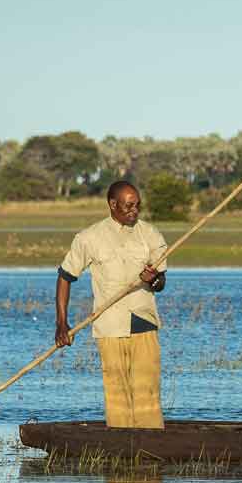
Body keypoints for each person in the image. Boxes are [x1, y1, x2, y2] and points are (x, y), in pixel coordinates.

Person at [55, 181, 168, 429]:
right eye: (128, 206)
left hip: (145, 324)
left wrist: (154, 279)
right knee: (117, 393)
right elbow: (65, 277)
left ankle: (151, 447)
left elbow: (161, 283)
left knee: (147, 393)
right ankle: (121, 446)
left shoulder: (149, 234)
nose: (134, 211)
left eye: (137, 206)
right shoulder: (89, 238)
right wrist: (62, 323)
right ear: (112, 204)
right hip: (109, 326)